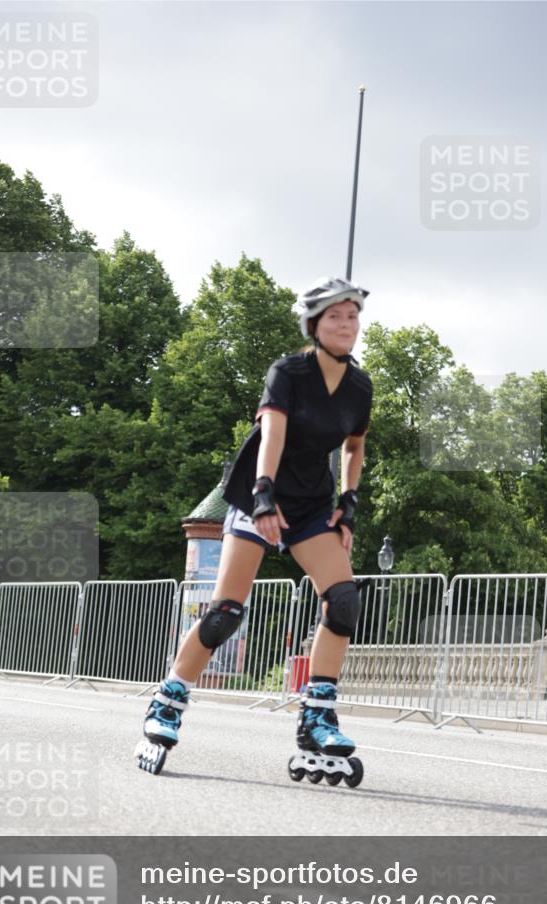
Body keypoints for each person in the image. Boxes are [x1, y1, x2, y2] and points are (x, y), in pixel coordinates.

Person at [136, 277, 373, 787]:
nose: (346, 324)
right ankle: (168, 701)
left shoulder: (359, 386)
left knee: (343, 602)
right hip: (259, 494)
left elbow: (354, 446)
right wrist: (263, 493)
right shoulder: (288, 372)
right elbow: (273, 435)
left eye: (352, 316)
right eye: (335, 316)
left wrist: (349, 502)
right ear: (313, 324)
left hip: (311, 504)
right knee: (226, 613)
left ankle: (317, 716)